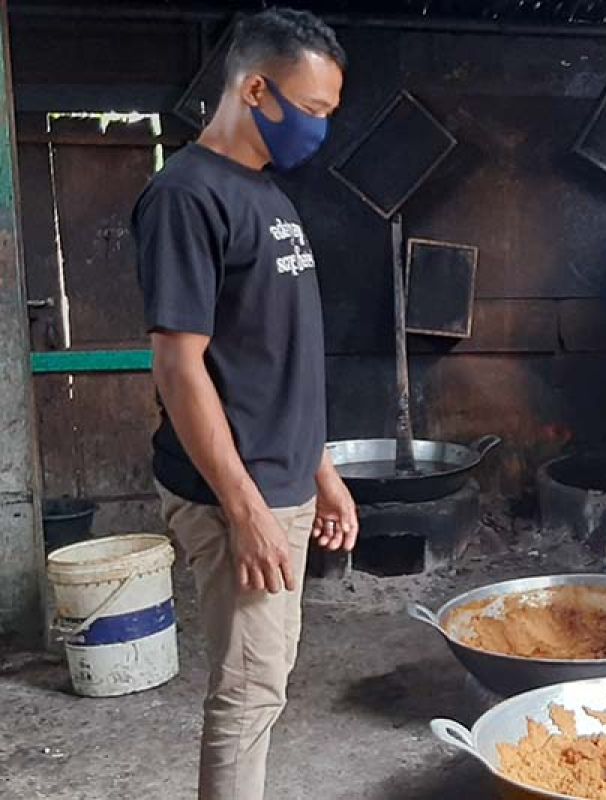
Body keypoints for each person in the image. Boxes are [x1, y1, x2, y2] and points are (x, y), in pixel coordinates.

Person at [132, 9, 357, 800]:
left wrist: (320, 469)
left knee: (266, 681)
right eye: (314, 110)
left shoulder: (262, 192)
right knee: (248, 692)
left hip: (281, 483)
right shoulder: (187, 197)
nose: (319, 130)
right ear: (256, 88)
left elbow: (268, 358)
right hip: (240, 497)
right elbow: (180, 365)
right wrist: (246, 506)